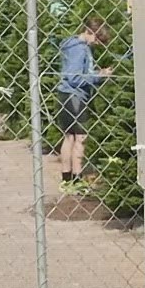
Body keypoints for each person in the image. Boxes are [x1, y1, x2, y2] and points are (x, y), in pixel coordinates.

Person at [56, 17, 111, 192]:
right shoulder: (79, 49)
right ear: (89, 31)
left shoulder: (71, 45)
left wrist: (95, 73)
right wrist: (99, 76)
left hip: (65, 94)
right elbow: (74, 78)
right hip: (75, 97)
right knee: (81, 137)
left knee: (69, 136)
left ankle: (67, 178)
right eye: (96, 38)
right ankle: (77, 178)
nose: (97, 43)